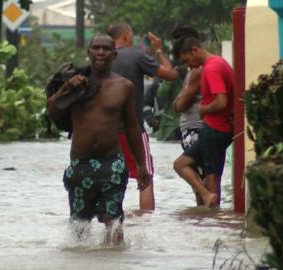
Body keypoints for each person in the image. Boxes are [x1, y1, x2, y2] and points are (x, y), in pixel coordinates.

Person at [46, 34, 151, 245]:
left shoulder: (124, 87)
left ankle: (113, 261)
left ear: (114, 55)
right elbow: (51, 111)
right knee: (78, 225)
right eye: (96, 48)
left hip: (111, 164)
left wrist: (141, 164)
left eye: (105, 49)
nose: (100, 52)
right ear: (89, 53)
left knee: (114, 224)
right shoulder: (74, 84)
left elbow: (132, 126)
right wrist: (66, 89)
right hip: (80, 164)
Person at [107, 22, 178, 211]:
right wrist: (159, 50)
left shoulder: (101, 59)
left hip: (105, 132)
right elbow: (170, 74)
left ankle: (112, 226)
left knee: (110, 180)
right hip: (133, 130)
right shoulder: (136, 55)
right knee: (144, 176)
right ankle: (145, 224)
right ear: (126, 35)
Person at [171, 26, 234, 208]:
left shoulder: (212, 68)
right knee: (181, 164)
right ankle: (207, 198)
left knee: (212, 174)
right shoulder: (215, 63)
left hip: (215, 128)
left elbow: (221, 102)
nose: (188, 65)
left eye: (187, 60)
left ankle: (211, 216)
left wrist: (205, 109)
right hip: (216, 128)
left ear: (195, 50)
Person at [173, 66, 205, 205]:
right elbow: (177, 103)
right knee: (199, 177)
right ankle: (204, 216)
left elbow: (180, 105)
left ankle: (206, 208)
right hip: (191, 128)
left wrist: (178, 101)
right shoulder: (191, 72)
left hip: (195, 128)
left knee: (199, 177)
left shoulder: (197, 72)